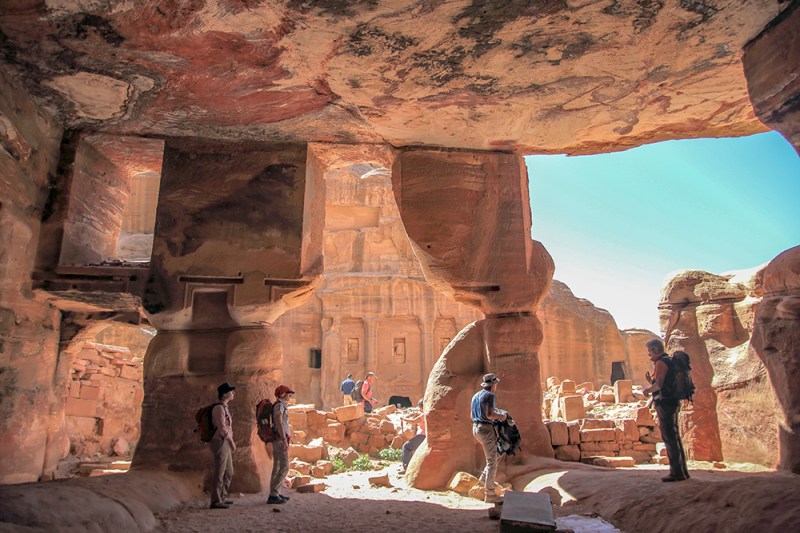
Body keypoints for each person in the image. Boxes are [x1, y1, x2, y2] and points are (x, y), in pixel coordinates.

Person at [643, 338, 690, 482]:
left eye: (650, 351)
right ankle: (682, 471)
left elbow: (659, 384)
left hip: (665, 403)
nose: (649, 354)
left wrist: (647, 390)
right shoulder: (669, 361)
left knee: (669, 437)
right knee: (674, 436)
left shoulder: (661, 363)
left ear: (656, 350)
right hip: (673, 401)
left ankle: (676, 473)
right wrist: (651, 381)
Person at [470, 373, 507, 503]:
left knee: (497, 454)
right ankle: (490, 494)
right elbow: (490, 414)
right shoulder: (490, 396)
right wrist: (502, 416)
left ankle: (482, 481)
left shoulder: (475, 396)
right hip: (485, 429)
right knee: (492, 461)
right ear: (493, 385)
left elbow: (472, 416)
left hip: (476, 428)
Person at [210, 382, 236, 509]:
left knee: (229, 471)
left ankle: (222, 497)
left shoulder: (224, 407)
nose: (233, 393)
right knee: (220, 472)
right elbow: (222, 428)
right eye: (231, 391)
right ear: (225, 394)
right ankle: (215, 500)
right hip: (220, 441)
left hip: (225, 441)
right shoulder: (219, 408)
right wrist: (231, 441)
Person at [267, 384, 295, 504]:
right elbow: (279, 421)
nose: (290, 396)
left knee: (277, 466)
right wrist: (284, 439)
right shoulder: (279, 406)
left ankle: (275, 493)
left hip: (278, 438)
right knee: (284, 466)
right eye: (289, 394)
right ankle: (273, 494)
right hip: (279, 439)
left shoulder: (280, 405)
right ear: (283, 394)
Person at [401, 399, 426, 473]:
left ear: (422, 407)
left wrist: (404, 419)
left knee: (406, 447)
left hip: (422, 436)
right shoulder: (429, 414)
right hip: (425, 436)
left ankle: (406, 467)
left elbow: (414, 421)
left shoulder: (423, 415)